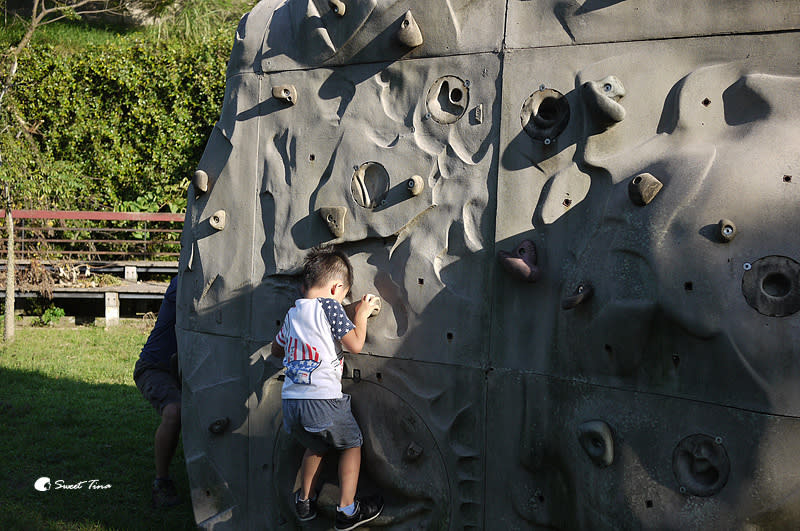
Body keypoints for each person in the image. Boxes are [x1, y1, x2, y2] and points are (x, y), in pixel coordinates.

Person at [270, 245, 383, 530]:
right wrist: (362, 312)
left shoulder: (293, 313)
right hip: (322, 400)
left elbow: (275, 349)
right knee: (351, 444)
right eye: (345, 293)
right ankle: (347, 510)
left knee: (316, 445)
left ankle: (305, 500)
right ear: (336, 289)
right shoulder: (330, 306)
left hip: (292, 403)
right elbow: (355, 344)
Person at [133, 276, 181, 508]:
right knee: (174, 411)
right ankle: (161, 481)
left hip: (183, 371)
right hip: (155, 368)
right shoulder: (182, 284)